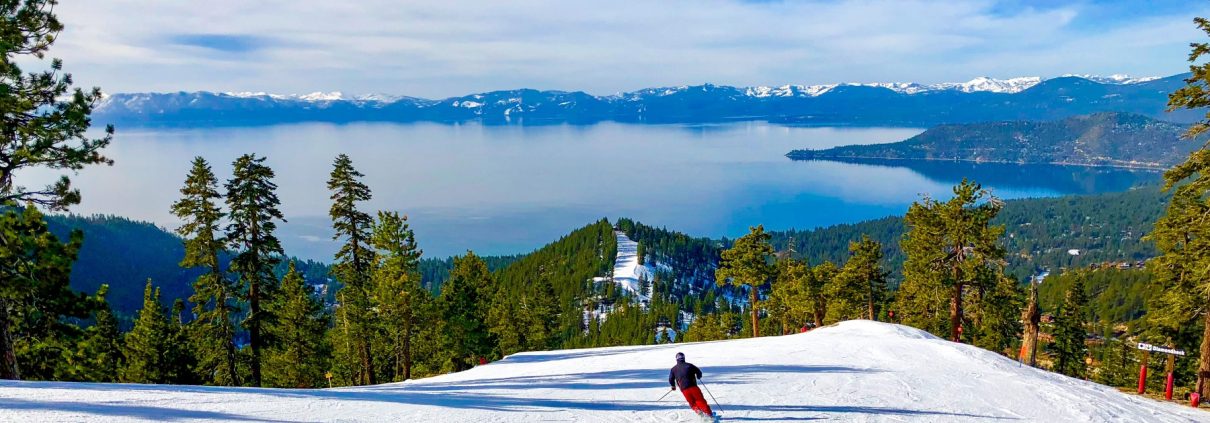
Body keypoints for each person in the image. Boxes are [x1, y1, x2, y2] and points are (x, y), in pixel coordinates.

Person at [669, 352, 713, 417]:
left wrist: (673, 386)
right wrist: (698, 376)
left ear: (676, 359)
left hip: (684, 389)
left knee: (692, 402)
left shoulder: (673, 369)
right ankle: (709, 415)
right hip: (693, 386)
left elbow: (671, 379)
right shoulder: (689, 365)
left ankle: (700, 414)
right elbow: (698, 371)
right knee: (700, 400)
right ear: (683, 358)